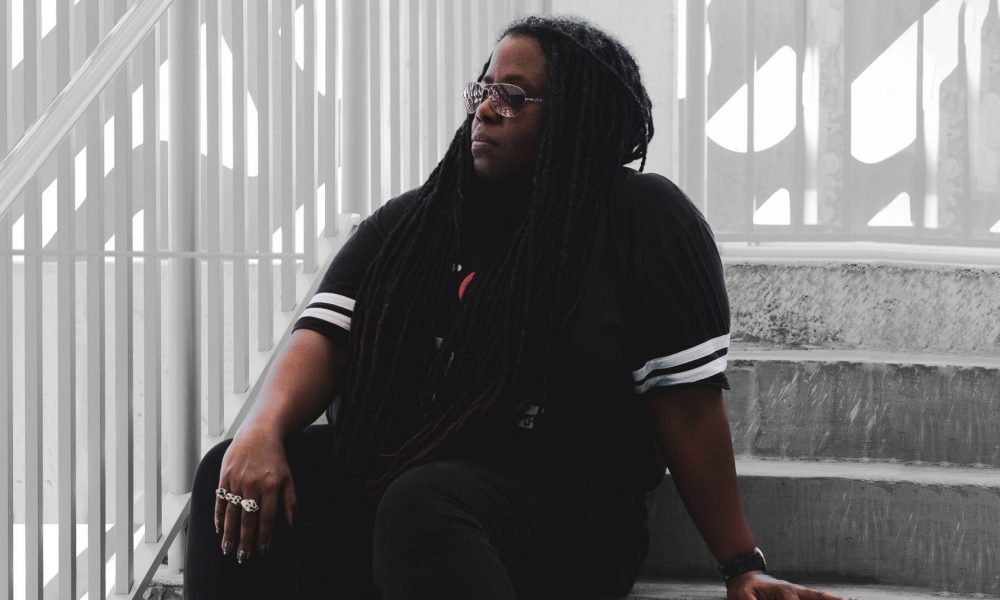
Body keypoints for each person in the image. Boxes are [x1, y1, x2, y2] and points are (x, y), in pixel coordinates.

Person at [184, 14, 849, 600]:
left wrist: (740, 564)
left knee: (424, 501)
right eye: (483, 90)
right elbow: (324, 334)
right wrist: (263, 429)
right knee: (230, 470)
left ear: (578, 116)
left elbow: (689, 408)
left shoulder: (642, 219)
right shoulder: (416, 222)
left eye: (515, 95)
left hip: (565, 510)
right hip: (404, 487)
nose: (487, 109)